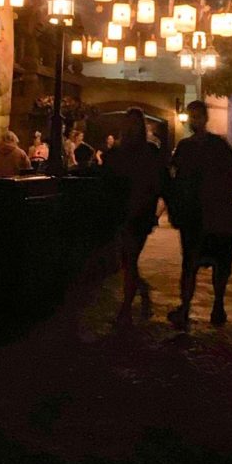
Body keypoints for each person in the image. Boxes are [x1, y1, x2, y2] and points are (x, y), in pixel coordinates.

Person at [167, 100, 232, 329]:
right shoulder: (188, 146)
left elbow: (231, 174)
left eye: (197, 116)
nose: (195, 121)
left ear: (205, 118)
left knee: (217, 264)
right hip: (197, 214)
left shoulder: (214, 146)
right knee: (190, 263)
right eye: (192, 116)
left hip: (213, 213)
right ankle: (188, 307)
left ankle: (217, 305)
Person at [104, 107, 167, 324]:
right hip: (139, 210)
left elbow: (109, 183)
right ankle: (138, 290)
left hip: (126, 211)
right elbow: (159, 183)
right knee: (129, 258)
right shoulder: (149, 151)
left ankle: (127, 305)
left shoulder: (117, 153)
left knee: (128, 258)